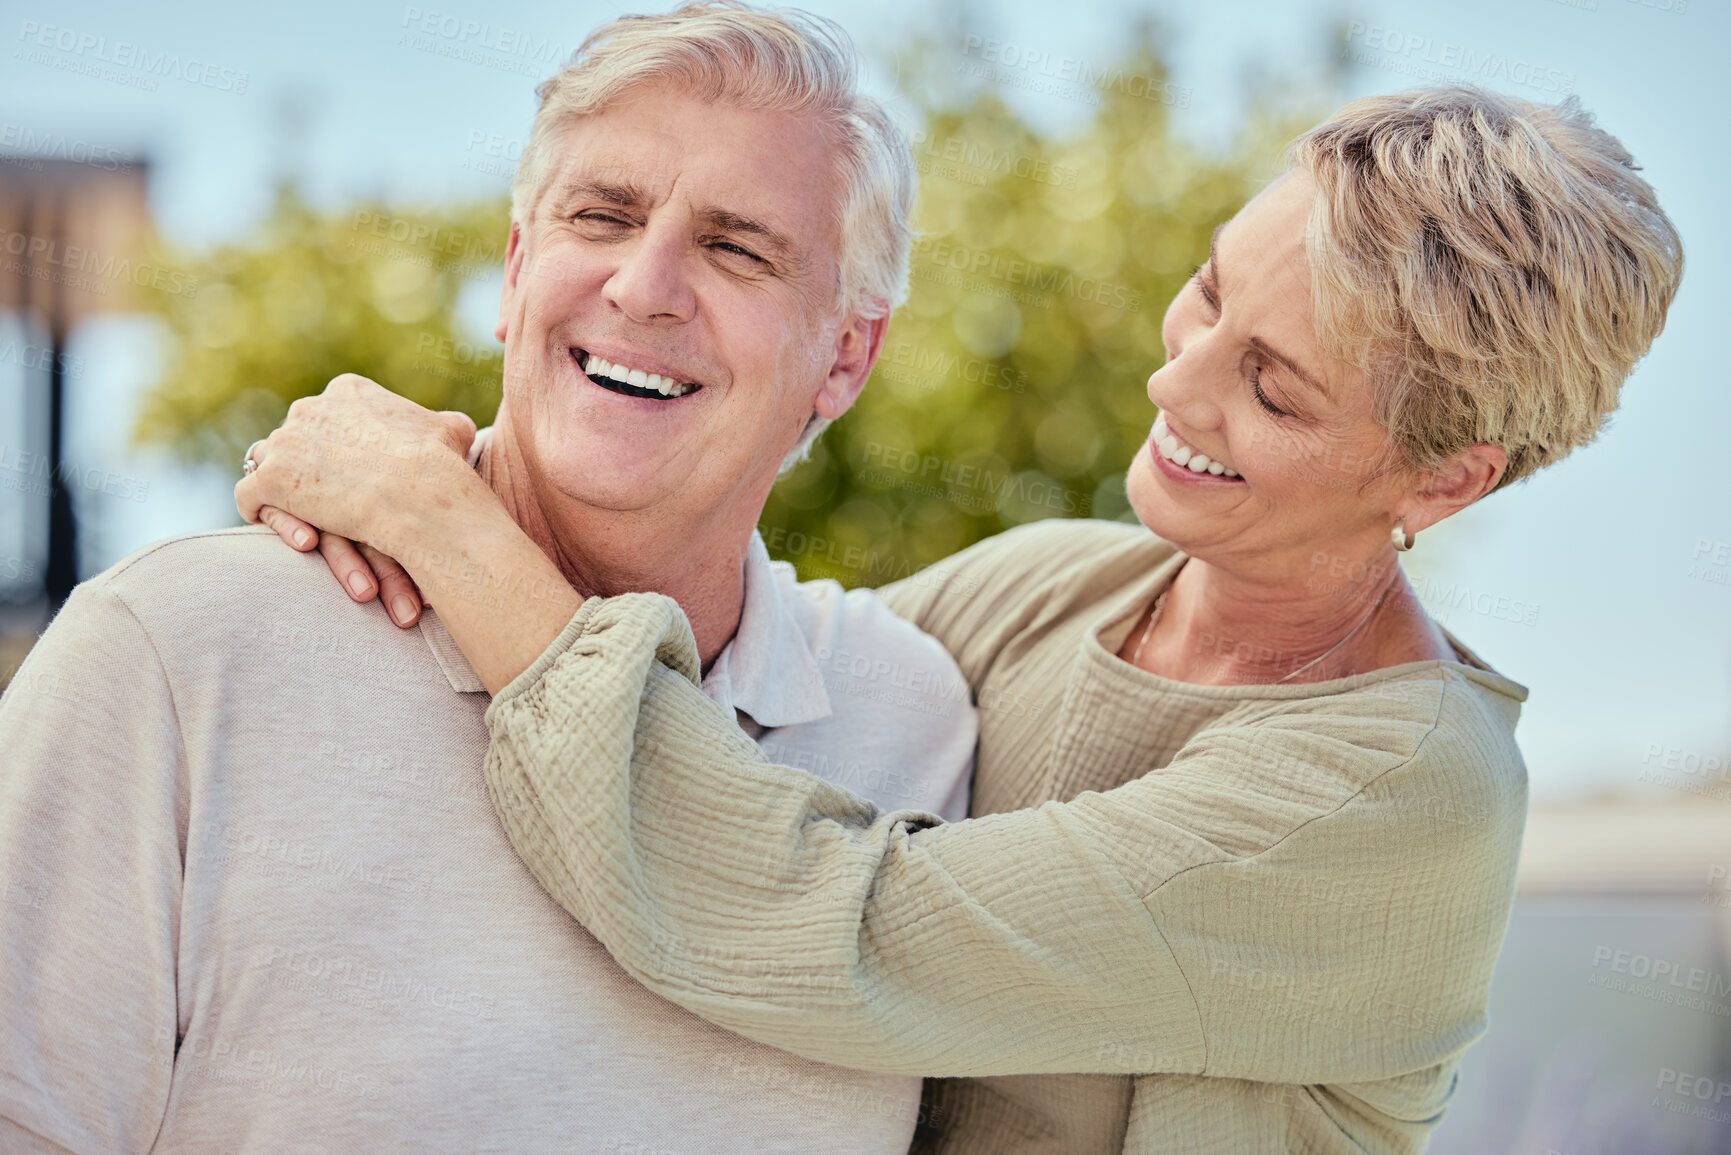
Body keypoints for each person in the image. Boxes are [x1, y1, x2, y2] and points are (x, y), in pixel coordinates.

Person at [242, 81, 1684, 1153]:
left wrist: (448, 528)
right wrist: (420, 476)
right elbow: (722, 704)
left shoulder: (1384, 801)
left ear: (1442, 475)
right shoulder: (1055, 584)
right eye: (1204, 296)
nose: (1174, 388)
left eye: (1273, 388)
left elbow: (810, 918)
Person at [0, 5, 978, 1153]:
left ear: (847, 355)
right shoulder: (177, 651)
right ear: (516, 272)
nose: (645, 284)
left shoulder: (909, 721)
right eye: (601, 216)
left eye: (737, 247)